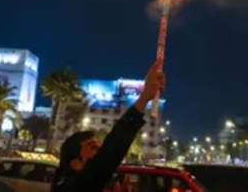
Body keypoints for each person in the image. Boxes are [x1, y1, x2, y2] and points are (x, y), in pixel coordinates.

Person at [52, 59, 165, 192]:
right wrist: (144, 97)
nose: (100, 152)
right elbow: (112, 149)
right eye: (93, 147)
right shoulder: (71, 187)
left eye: (100, 147)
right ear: (76, 164)